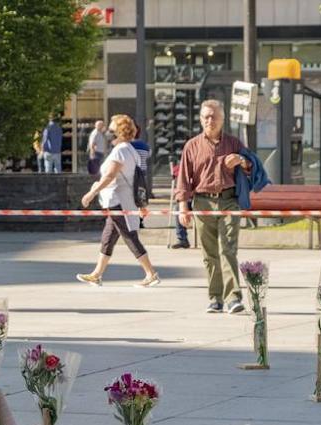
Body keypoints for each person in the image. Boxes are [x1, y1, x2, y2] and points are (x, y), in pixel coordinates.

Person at [174, 99, 252, 314]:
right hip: (202, 201)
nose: (210, 120)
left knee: (228, 249)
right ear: (200, 120)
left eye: (214, 116)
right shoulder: (192, 145)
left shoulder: (234, 143)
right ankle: (215, 298)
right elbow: (184, 178)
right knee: (209, 254)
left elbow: (251, 165)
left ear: (223, 119)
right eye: (206, 116)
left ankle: (233, 298)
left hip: (228, 200)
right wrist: (183, 206)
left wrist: (241, 160)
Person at [76, 114, 160, 289]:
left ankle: (151, 274)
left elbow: (109, 176)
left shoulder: (120, 151)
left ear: (120, 133)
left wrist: (92, 193)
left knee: (129, 236)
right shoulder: (130, 150)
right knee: (108, 237)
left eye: (111, 130)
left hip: (118, 201)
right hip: (120, 201)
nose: (108, 133)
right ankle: (96, 275)